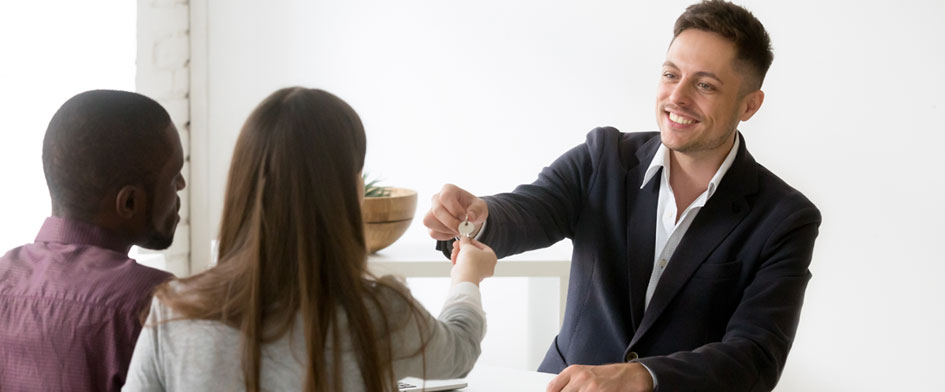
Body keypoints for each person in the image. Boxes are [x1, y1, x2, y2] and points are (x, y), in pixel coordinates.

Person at [423, 1, 821, 391]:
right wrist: (474, 216)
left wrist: (642, 377)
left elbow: (755, 356)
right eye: (670, 74)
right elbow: (529, 210)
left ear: (749, 105)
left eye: (704, 85)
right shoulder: (604, 158)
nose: (677, 97)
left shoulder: (784, 218)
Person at [122, 87, 497, 392]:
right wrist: (467, 281)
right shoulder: (380, 312)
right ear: (348, 191)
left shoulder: (174, 310)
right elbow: (458, 351)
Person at [0, 90, 182, 391]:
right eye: (174, 175)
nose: (182, 185)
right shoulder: (156, 303)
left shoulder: (4, 278)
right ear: (129, 203)